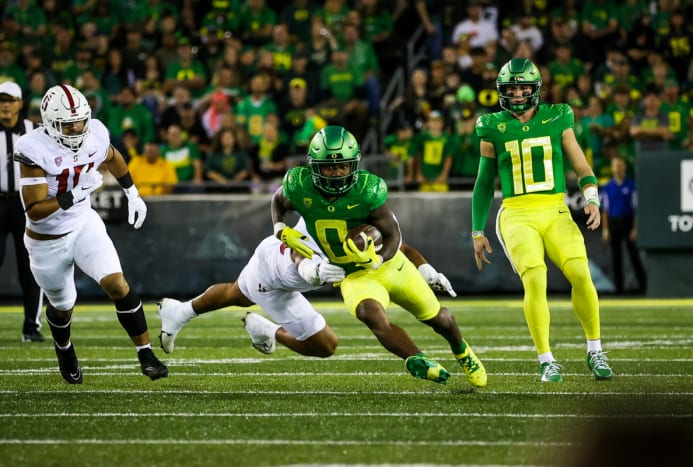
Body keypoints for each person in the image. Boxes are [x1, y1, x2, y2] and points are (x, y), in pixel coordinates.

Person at [270, 125, 486, 387]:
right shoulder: (300, 186)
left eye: (343, 166)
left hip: (389, 265)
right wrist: (280, 227)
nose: (337, 173)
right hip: (352, 275)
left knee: (439, 318)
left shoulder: (367, 191)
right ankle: (415, 358)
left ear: (355, 165)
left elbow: (394, 236)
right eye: (328, 167)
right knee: (370, 314)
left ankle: (462, 350)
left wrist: (379, 259)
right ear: (314, 166)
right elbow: (279, 201)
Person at [471, 58, 613, 383]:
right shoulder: (491, 125)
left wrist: (592, 200)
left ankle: (595, 350)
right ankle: (546, 359)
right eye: (511, 88)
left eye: (523, 86)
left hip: (555, 210)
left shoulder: (557, 115)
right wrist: (477, 229)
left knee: (581, 273)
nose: (518, 93)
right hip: (517, 215)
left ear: (535, 88)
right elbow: (483, 184)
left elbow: (582, 165)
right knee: (536, 279)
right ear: (501, 91)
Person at [15, 84, 168, 384]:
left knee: (116, 282)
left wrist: (132, 192)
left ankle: (146, 353)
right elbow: (33, 209)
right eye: (67, 123)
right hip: (47, 241)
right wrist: (73, 194)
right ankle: (65, 348)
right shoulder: (31, 148)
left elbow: (112, 156)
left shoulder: (95, 132)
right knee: (62, 308)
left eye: (80, 121)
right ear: (49, 123)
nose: (76, 128)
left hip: (84, 223)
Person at [157, 218, 456, 358]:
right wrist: (310, 268)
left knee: (235, 292)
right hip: (276, 271)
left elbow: (398, 245)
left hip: (287, 270)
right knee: (325, 345)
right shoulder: (323, 222)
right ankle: (183, 313)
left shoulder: (366, 216)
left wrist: (425, 269)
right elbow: (297, 250)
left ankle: (180, 312)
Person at [0, 81, 44, 342]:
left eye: (9, 99)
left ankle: (31, 327)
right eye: (1, 99)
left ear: (19, 103)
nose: (4, 104)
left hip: (25, 204)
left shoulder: (34, 131)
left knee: (31, 266)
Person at [600, 156, 647, 295]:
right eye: (615, 165)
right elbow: (605, 211)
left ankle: (643, 286)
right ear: (612, 168)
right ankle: (619, 289)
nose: (618, 168)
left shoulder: (631, 185)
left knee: (633, 255)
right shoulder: (608, 187)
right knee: (616, 256)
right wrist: (605, 230)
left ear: (624, 167)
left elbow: (635, 209)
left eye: (620, 165)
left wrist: (634, 228)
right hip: (614, 222)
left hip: (627, 222)